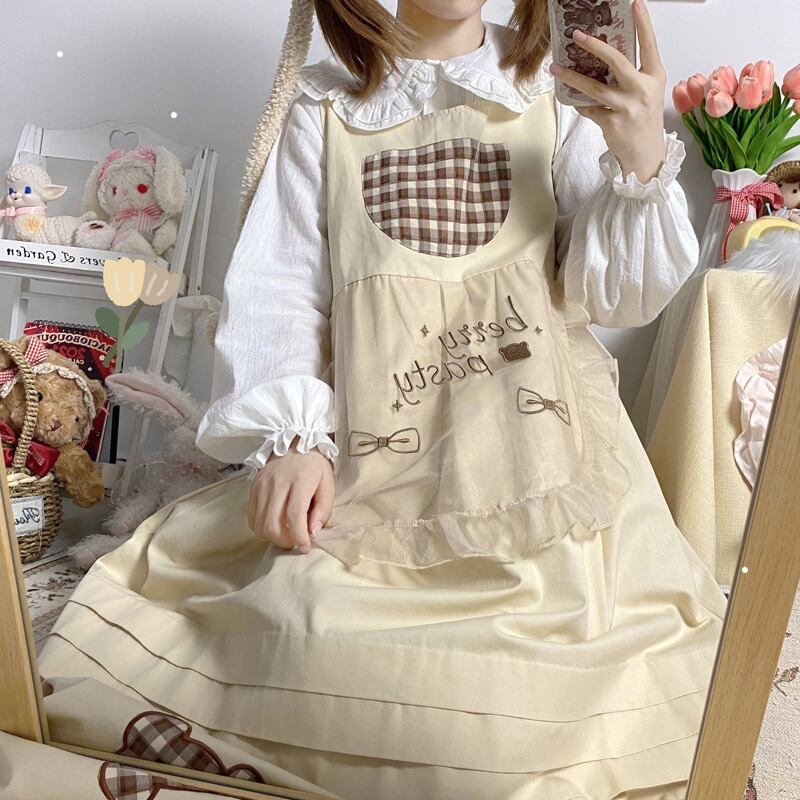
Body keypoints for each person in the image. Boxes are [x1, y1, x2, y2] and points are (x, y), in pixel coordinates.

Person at [39, 1, 728, 798]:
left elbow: (617, 294)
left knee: (550, 691)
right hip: (378, 441)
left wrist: (638, 155)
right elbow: (281, 290)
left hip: (538, 436)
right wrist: (297, 439)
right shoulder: (324, 110)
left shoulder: (551, 91)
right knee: (304, 634)